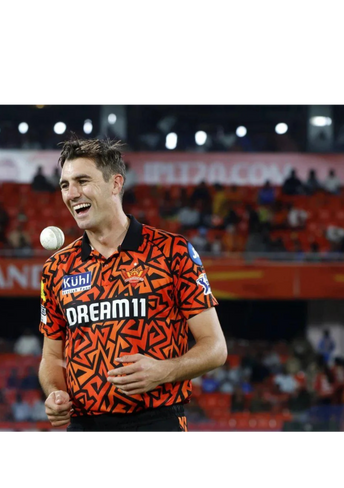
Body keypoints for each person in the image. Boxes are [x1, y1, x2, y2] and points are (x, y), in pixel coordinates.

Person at [39, 137, 227, 435]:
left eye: (82, 181)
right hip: (85, 427)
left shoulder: (171, 251)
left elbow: (215, 348)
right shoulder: (57, 268)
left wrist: (164, 371)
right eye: (65, 185)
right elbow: (51, 356)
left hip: (156, 422)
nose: (72, 194)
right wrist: (54, 392)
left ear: (115, 184)